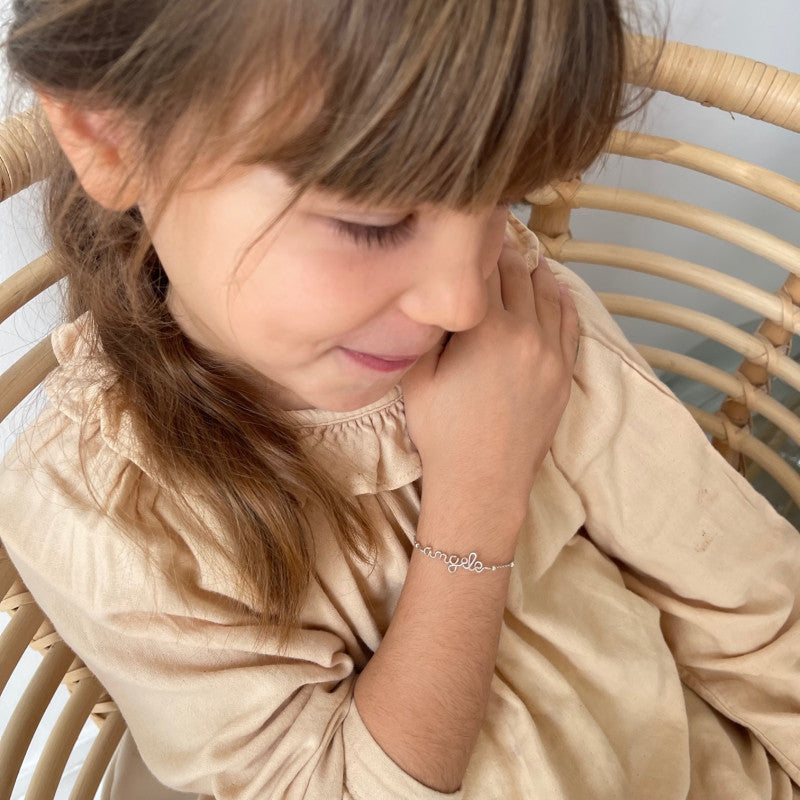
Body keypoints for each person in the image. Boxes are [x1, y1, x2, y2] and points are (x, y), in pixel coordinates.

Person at [1, 1, 798, 798]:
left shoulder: (514, 321)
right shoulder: (102, 511)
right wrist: (477, 500)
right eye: (375, 223)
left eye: (507, 200)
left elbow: (751, 605)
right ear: (112, 139)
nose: (460, 301)